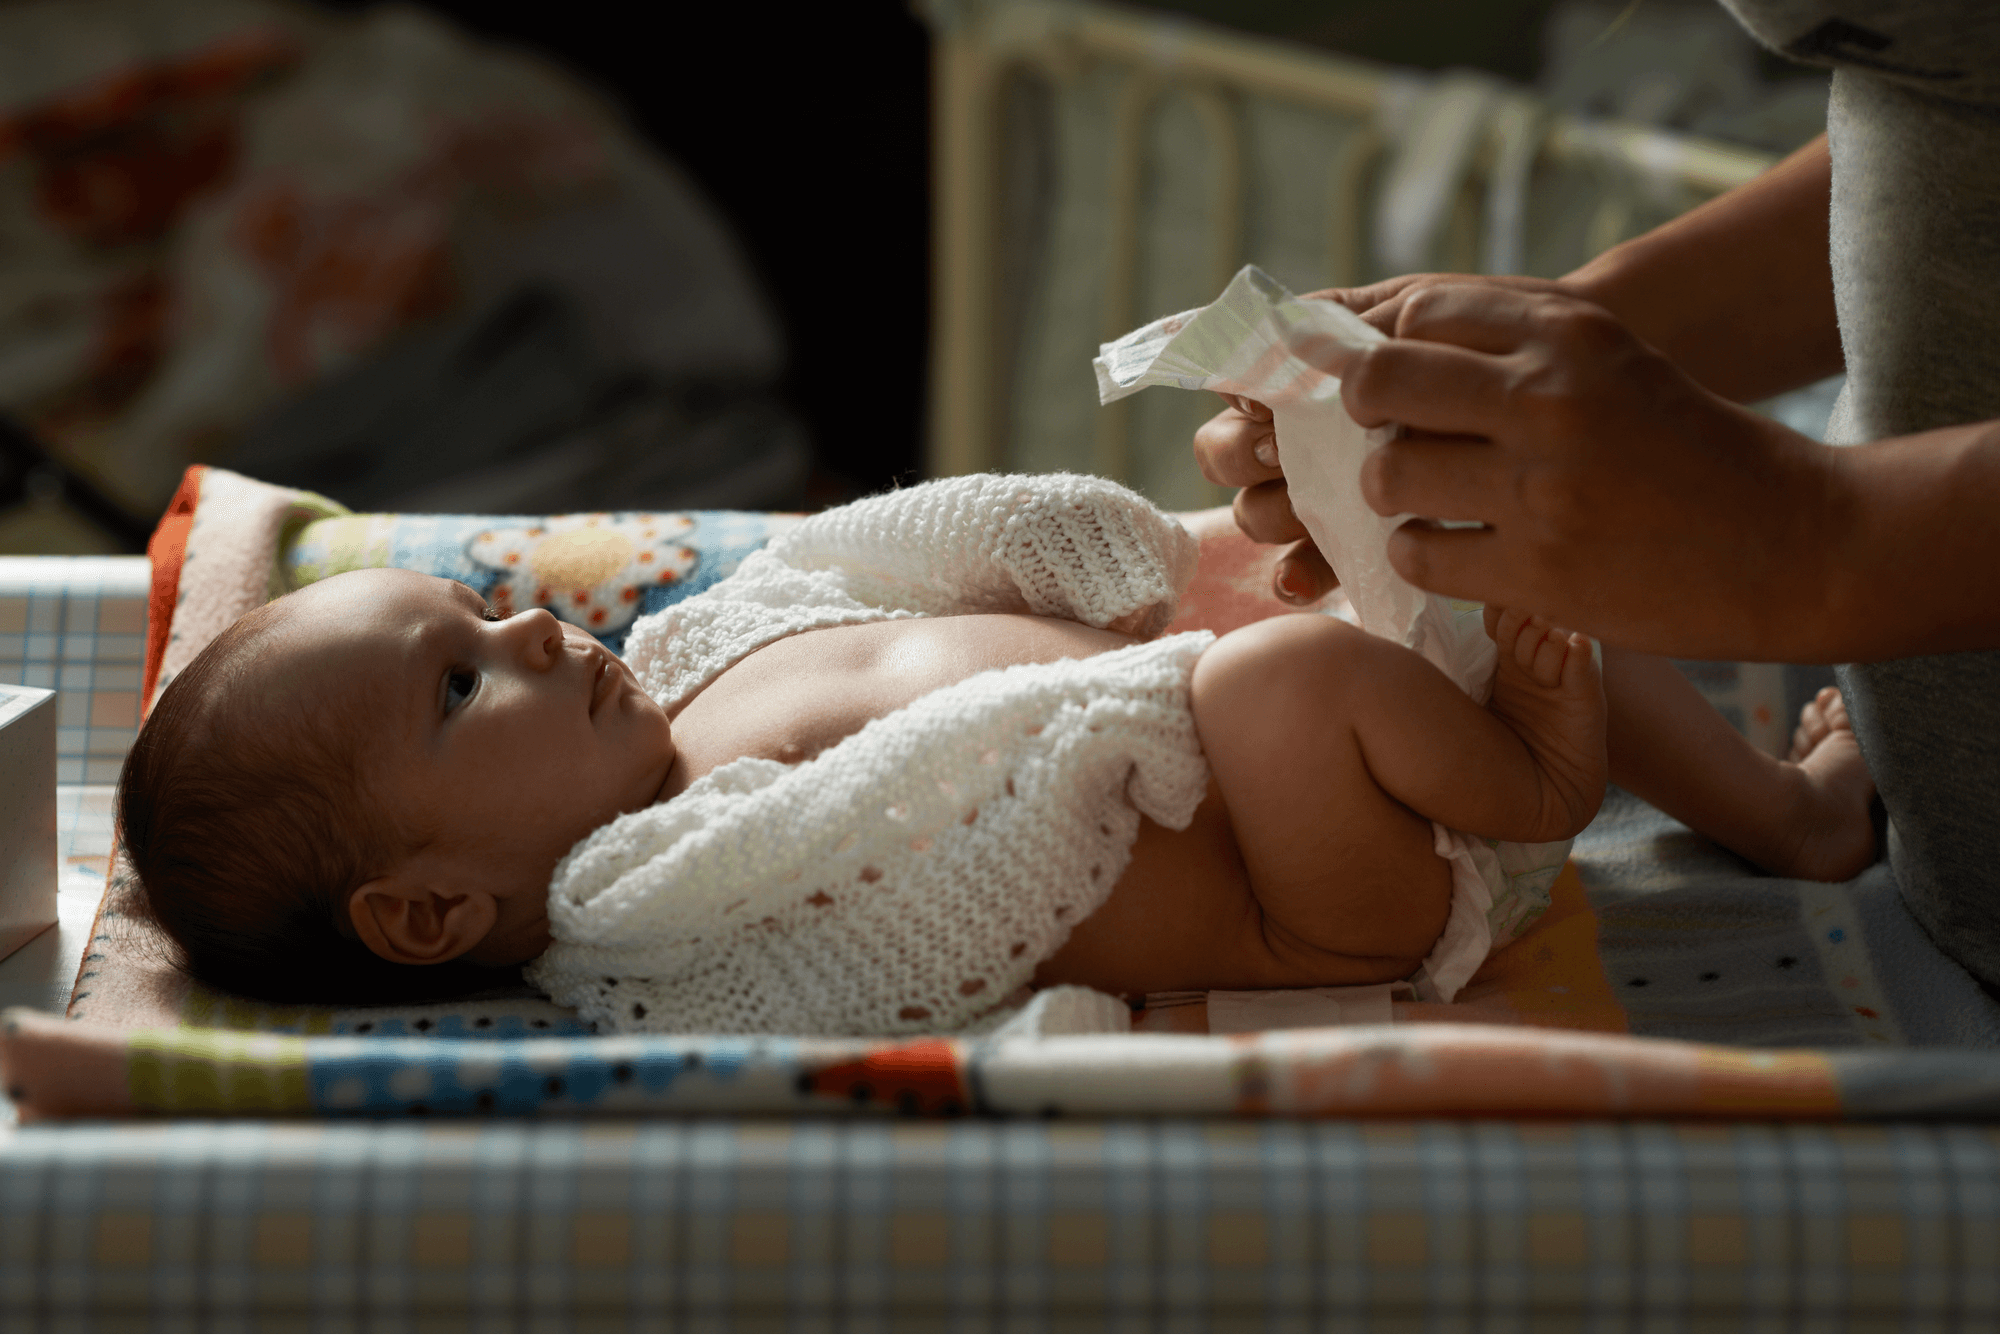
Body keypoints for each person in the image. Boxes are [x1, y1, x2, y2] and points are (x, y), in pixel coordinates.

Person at [119, 472, 1858, 1033]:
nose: (525, 630)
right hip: (1327, 904)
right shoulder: (640, 913)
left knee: (1425, 530)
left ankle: (1778, 813)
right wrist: (1147, 686)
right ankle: (1552, 791)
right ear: (428, 912)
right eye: (456, 691)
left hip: (1253, 741)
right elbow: (926, 822)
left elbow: (856, 565)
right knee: (1283, 683)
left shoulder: (679, 668)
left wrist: (1075, 537)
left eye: (476, 616)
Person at [1193, 3, 2000, 987]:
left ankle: (1788, 812)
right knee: (1479, 536)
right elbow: (1951, 116)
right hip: (1935, 860)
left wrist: (1819, 535)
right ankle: (1790, 814)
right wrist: (1567, 337)